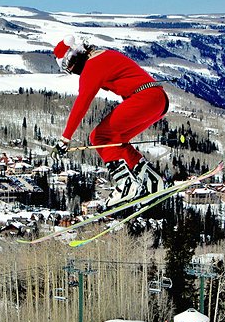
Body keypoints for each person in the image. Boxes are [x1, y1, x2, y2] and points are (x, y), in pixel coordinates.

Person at [52, 35, 169, 207]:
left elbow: (82, 104)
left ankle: (125, 184)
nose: (72, 71)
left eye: (69, 66)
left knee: (99, 137)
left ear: (73, 57)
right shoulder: (103, 55)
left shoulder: (91, 67)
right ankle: (153, 182)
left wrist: (65, 139)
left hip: (144, 98)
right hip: (158, 100)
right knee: (116, 141)